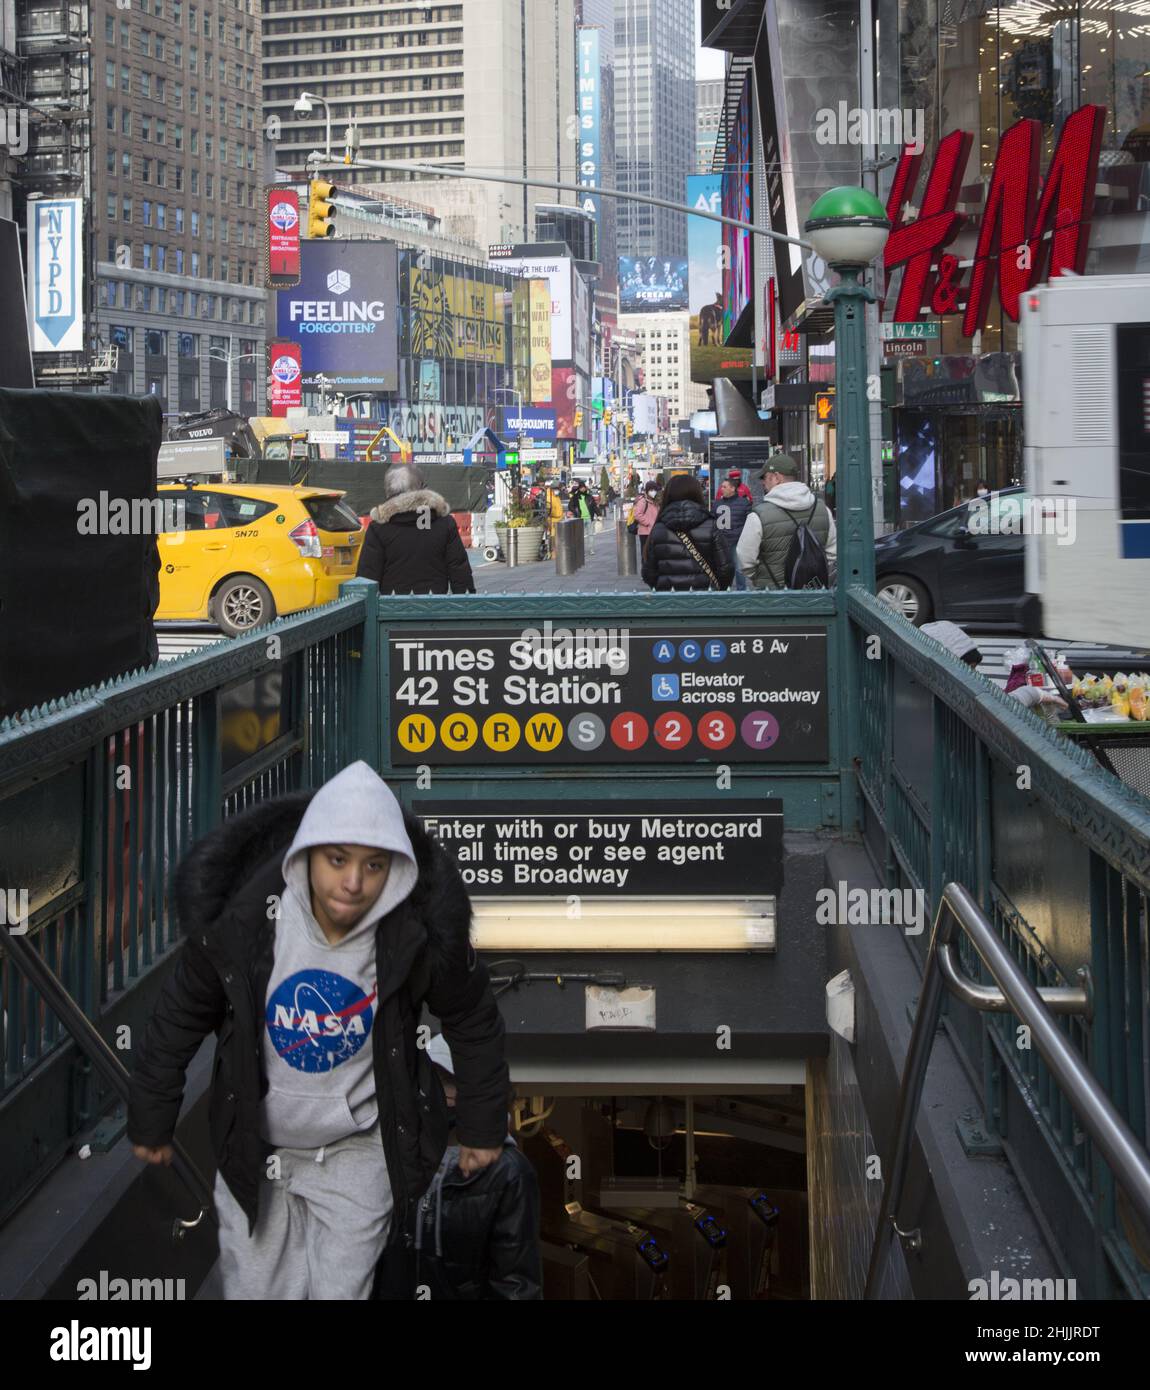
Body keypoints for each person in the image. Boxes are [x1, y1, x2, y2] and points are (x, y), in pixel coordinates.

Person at [126, 760, 510, 1301]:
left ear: (395, 870)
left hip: (358, 1148)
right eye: (337, 860)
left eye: (374, 866)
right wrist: (152, 1117)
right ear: (306, 855)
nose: (353, 883)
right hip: (256, 1148)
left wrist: (482, 1127)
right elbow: (180, 1014)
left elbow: (472, 1017)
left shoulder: (414, 933)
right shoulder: (242, 922)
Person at [378, 1035, 542, 1300]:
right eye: (437, 1080)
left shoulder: (508, 1173)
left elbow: (516, 1285)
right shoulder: (393, 1157)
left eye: (454, 1081)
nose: (445, 1093)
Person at [357, 463, 475, 595]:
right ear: (422, 488)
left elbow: (367, 575)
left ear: (388, 491)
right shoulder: (444, 523)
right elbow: (459, 571)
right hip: (435, 607)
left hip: (391, 610)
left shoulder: (379, 528)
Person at [737, 454, 836, 591]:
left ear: (777, 478)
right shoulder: (823, 510)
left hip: (772, 598)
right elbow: (832, 554)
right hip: (814, 596)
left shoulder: (758, 515)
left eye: (764, 477)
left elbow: (745, 560)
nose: (762, 483)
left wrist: (763, 578)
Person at [642, 473, 734, 592]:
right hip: (705, 600)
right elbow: (726, 568)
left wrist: (662, 586)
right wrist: (717, 588)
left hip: (669, 600)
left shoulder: (658, 528)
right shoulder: (711, 525)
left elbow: (648, 572)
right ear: (696, 493)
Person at [715, 480, 752, 591]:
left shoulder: (744, 503)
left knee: (739, 569)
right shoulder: (717, 503)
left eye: (724, 487)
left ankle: (741, 591)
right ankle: (724, 590)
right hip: (721, 542)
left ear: (732, 488)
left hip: (737, 541)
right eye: (722, 486)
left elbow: (749, 522)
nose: (721, 489)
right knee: (723, 569)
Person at [630, 480, 661, 562]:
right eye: (651, 490)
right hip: (645, 532)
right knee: (646, 552)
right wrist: (649, 523)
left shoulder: (654, 501)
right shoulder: (643, 501)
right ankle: (646, 569)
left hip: (653, 531)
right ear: (647, 491)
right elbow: (637, 514)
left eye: (655, 490)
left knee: (652, 553)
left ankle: (650, 568)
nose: (653, 492)